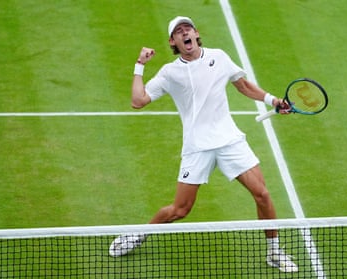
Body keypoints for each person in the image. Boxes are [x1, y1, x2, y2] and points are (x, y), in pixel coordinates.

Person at [109, 16, 297, 273]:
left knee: (262, 194)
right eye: (178, 32)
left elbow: (242, 85)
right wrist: (139, 65)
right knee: (180, 209)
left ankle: (274, 252)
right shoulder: (169, 72)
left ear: (196, 34)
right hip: (197, 146)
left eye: (188, 28)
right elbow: (138, 101)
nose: (184, 33)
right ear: (173, 42)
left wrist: (273, 100)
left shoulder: (219, 57)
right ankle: (139, 234)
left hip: (229, 140)